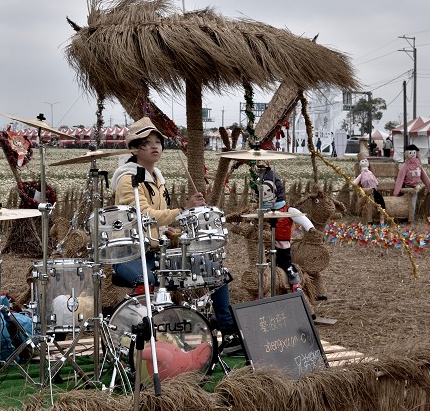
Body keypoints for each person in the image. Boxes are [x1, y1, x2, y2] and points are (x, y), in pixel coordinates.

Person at [109, 117, 240, 348]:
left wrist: (170, 231)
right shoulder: (128, 179)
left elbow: (157, 221)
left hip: (154, 250)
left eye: (157, 142)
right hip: (129, 253)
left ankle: (227, 330)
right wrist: (183, 210)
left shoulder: (157, 177)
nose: (154, 146)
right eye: (146, 143)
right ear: (134, 148)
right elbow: (144, 214)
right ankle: (147, 337)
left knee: (213, 267)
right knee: (151, 281)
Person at [254, 161, 314, 292]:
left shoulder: (287, 210)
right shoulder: (261, 210)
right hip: (265, 245)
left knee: (286, 264)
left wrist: (310, 228)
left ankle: (294, 283)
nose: (265, 194)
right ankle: (261, 289)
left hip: (282, 245)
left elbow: (300, 217)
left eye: (268, 190)